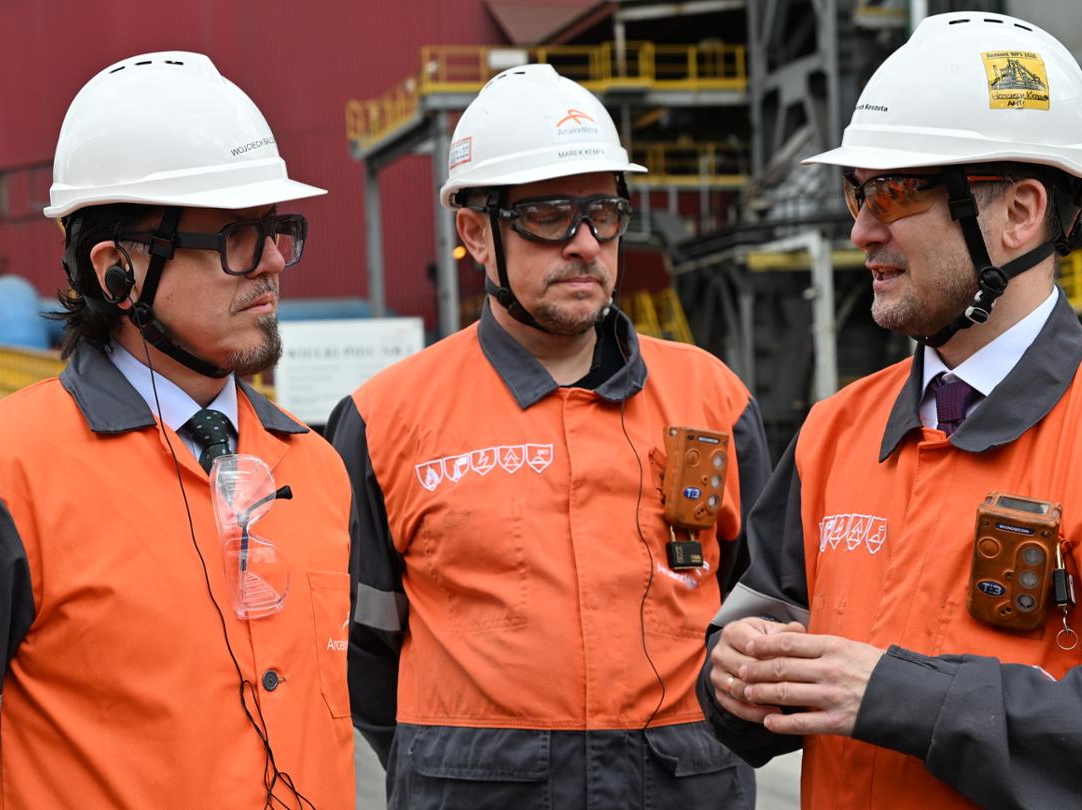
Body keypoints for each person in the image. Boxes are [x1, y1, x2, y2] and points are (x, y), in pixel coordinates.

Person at [696, 13, 1082, 809]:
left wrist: (900, 695)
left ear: (1021, 212)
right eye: (855, 192)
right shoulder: (835, 433)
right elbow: (751, 653)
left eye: (894, 192)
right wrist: (735, 676)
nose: (861, 229)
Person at [0, 51, 354, 808]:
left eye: (279, 230)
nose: (276, 262)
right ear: (118, 269)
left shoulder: (315, 466)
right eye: (238, 237)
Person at [328, 64, 766, 807]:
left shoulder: (712, 398)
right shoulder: (385, 418)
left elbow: (754, 611)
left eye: (604, 212)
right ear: (475, 233)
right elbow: (359, 649)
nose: (586, 243)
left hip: (682, 784)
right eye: (550, 214)